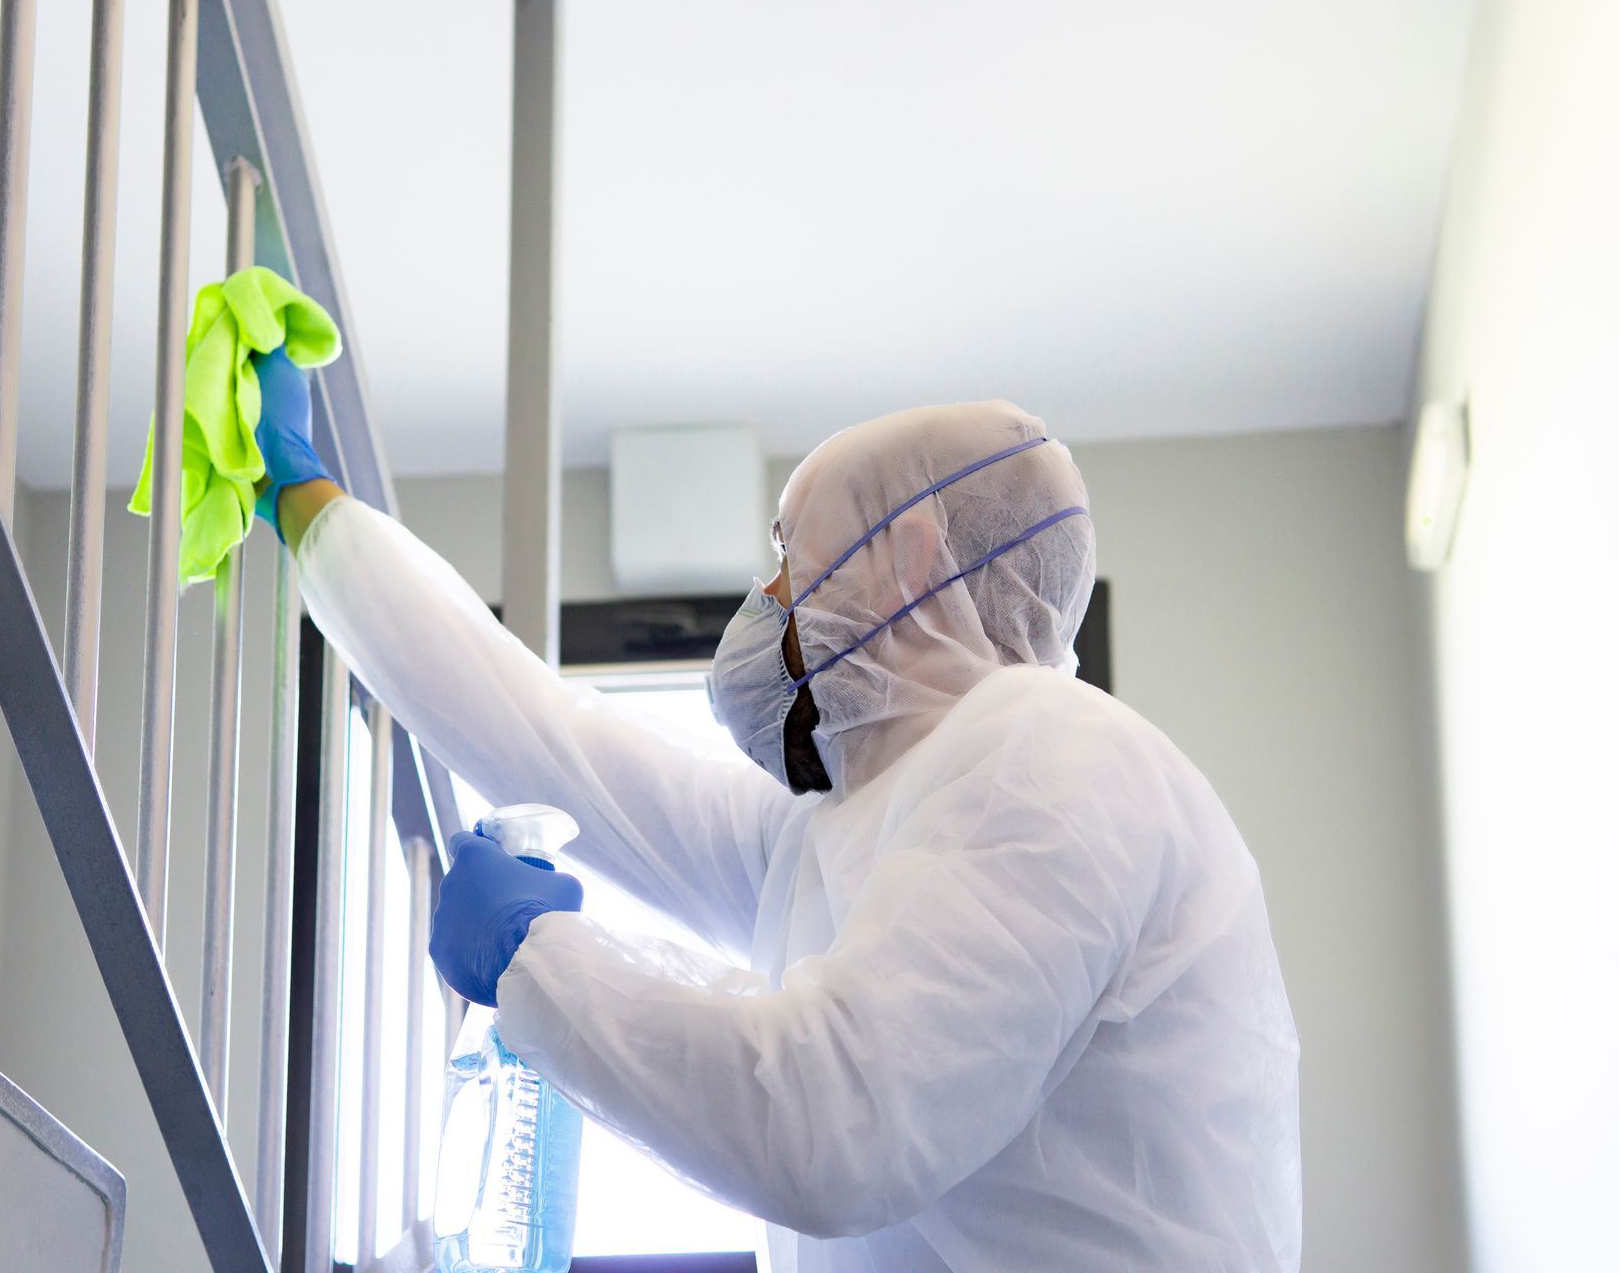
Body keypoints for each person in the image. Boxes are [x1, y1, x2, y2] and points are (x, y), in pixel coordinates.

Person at [252, 349, 1301, 1272]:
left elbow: (834, 1120)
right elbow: (557, 744)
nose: (767, 598)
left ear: (910, 558)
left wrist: (540, 959)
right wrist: (312, 511)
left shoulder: (1051, 755)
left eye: (792, 555)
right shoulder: (851, 820)